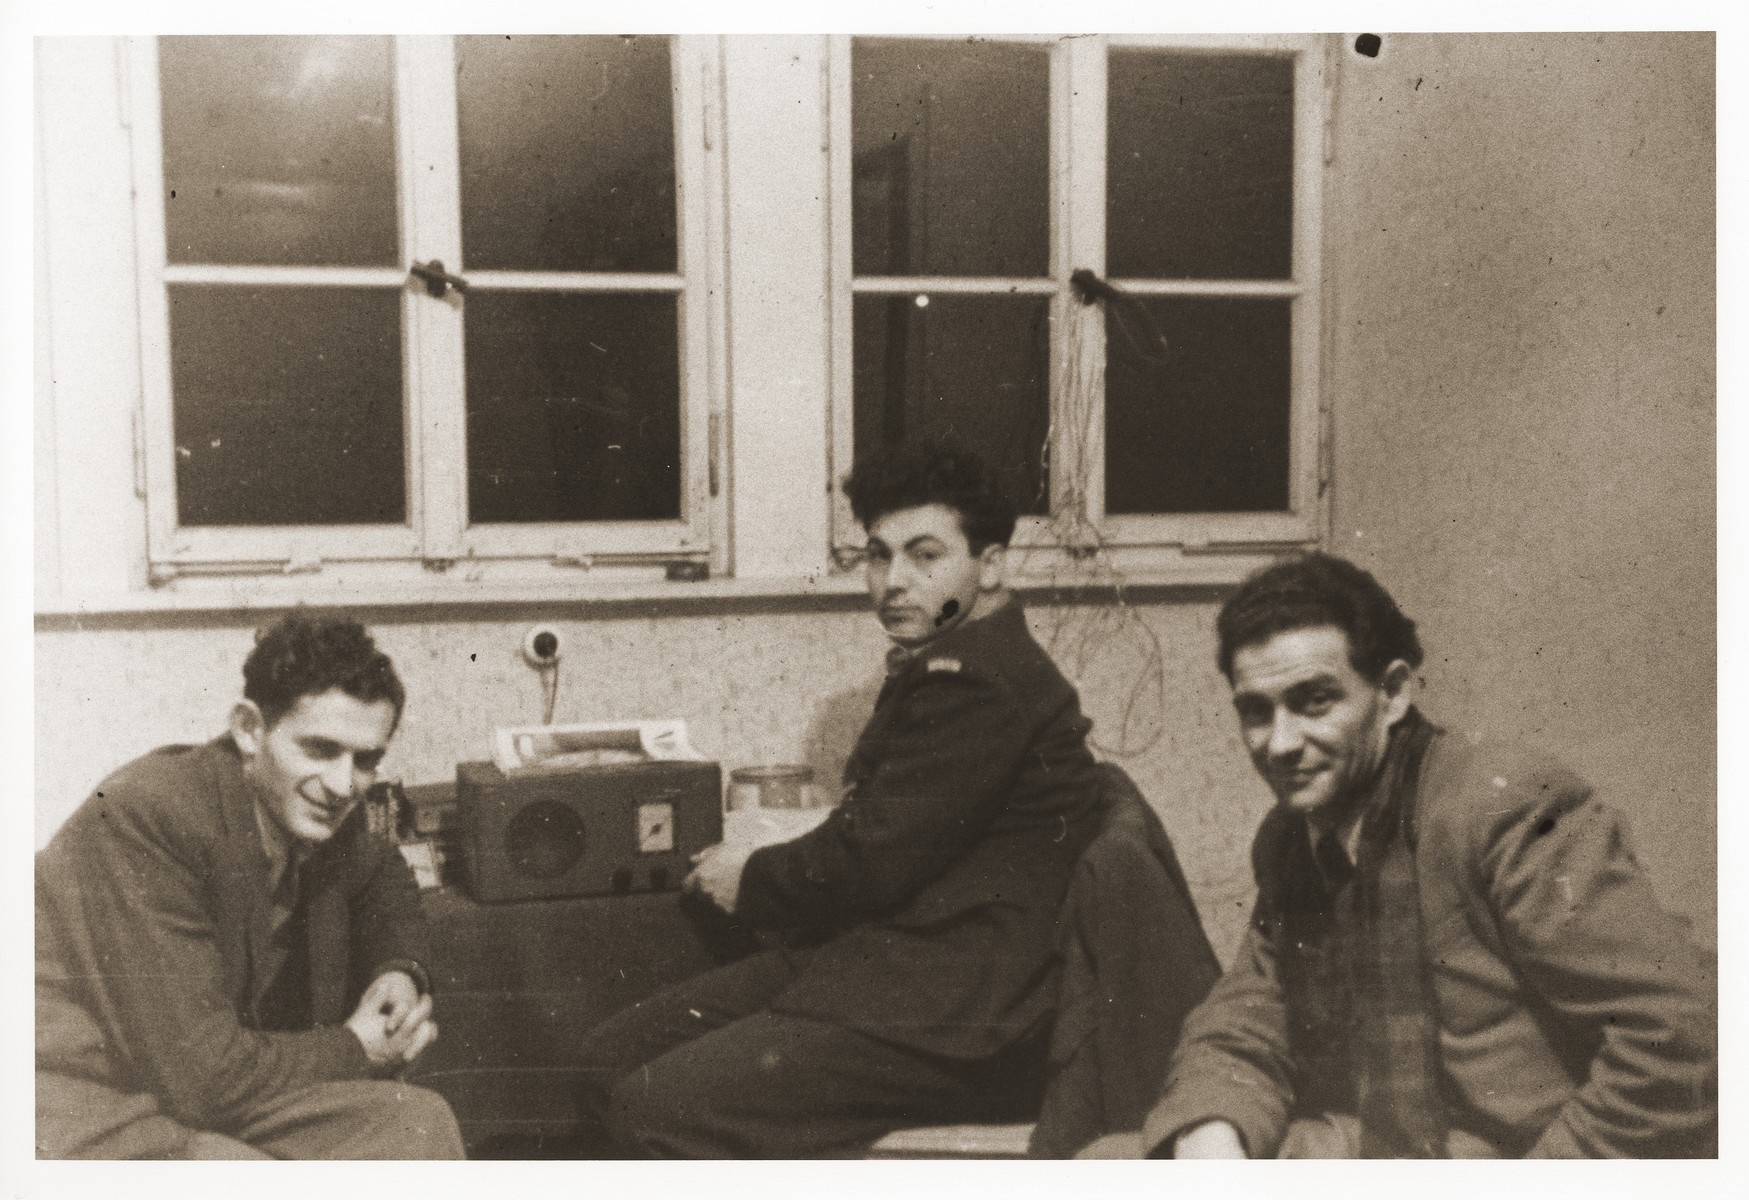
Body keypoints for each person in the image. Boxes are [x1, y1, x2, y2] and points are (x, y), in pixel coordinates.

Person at [574, 443, 1106, 1157]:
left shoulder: (977, 681)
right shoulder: (963, 658)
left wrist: (750, 877)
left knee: (649, 1107)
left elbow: (873, 861)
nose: (894, 581)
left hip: (952, 1008)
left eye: (924, 556)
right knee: (602, 1063)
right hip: (897, 957)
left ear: (991, 565)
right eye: (878, 556)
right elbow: (897, 829)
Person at [1090, 552, 1715, 1159]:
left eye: (1315, 702)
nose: (1279, 743)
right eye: (1256, 711)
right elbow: (1250, 1014)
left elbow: (1680, 1035)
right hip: (1403, 1147)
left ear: (1391, 693)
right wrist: (1213, 1132)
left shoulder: (1502, 811)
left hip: (1545, 1152)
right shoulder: (1294, 839)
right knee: (1111, 1167)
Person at [36, 614, 465, 1159]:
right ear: (250, 729)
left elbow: (383, 876)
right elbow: (202, 1080)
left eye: (366, 759)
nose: (341, 784)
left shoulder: (320, 806)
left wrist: (399, 972)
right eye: (319, 748)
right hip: (80, 1094)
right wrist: (358, 1047)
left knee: (418, 1124)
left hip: (191, 1084)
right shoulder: (148, 816)